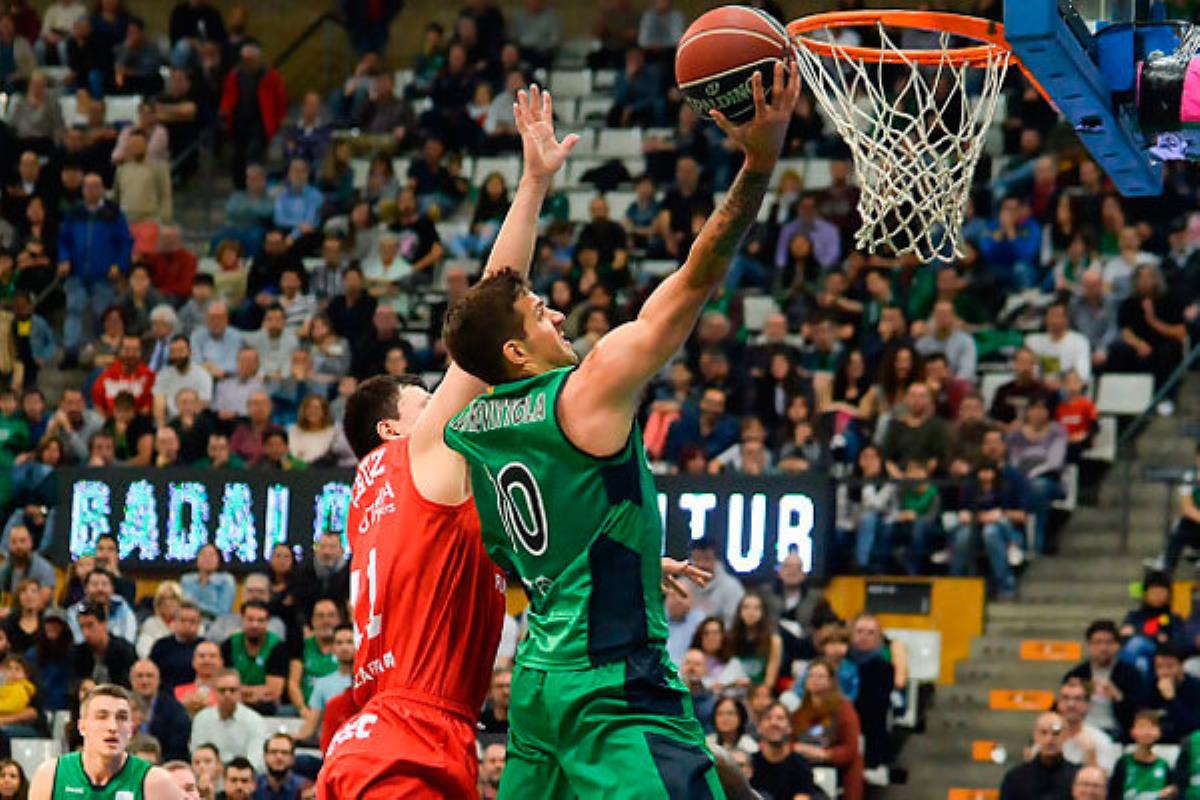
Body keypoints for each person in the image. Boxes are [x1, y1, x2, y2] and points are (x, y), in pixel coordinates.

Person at [441, 66, 798, 798]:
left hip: (539, 680)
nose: (559, 316)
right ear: (516, 352)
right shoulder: (587, 391)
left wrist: (533, 184)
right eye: (543, 314)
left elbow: (486, 311)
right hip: (612, 676)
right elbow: (697, 277)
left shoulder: (472, 424)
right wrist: (759, 163)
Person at [28, 684, 184, 799]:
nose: (113, 727)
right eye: (102, 716)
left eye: (122, 718)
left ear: (130, 729)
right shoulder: (50, 775)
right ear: (82, 727)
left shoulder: (156, 782)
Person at [1062, 620, 1144, 743]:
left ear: (1117, 645)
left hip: (1116, 733)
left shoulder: (1131, 674)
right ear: (1089, 645)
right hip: (1081, 730)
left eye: (1108, 642)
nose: (1103, 648)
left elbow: (1140, 713)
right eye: (1097, 642)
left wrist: (1118, 697)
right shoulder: (1077, 674)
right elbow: (1060, 708)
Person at [189, 670, 268, 773]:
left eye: (232, 690)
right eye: (222, 690)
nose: (227, 695)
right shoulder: (202, 718)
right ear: (214, 692)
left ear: (240, 692)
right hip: (209, 776)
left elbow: (255, 761)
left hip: (242, 777)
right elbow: (198, 756)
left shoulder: (255, 720)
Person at [219, 600, 286, 716]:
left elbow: (274, 692)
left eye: (260, 620)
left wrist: (239, 691)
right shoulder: (229, 644)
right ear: (242, 619)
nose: (255, 625)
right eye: (250, 619)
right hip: (232, 704)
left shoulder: (277, 647)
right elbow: (222, 684)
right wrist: (255, 692)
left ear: (267, 622)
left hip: (265, 707)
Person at [998, 712, 1078, 799]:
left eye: (1056, 733)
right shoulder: (1015, 778)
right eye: (1043, 732)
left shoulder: (1077, 777)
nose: (1049, 739)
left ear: (1065, 736)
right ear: (1035, 736)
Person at [750, 701, 816, 800]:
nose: (774, 723)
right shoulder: (749, 764)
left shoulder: (801, 766)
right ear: (759, 727)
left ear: (790, 727)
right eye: (768, 718)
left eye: (780, 718)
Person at [129, 659, 191, 763]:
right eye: (139, 676)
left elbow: (177, 750)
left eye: (149, 676)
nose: (145, 681)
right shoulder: (120, 706)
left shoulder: (174, 710)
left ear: (159, 680)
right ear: (131, 680)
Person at [1054, 679, 1118, 773]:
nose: (1071, 704)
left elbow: (1107, 783)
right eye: (1065, 698)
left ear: (1087, 704)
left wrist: (1091, 755)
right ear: (1058, 703)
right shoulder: (1047, 736)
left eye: (1077, 698)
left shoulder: (1101, 740)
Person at [1109, 710, 1172, 798]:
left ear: (1159, 733)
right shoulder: (1123, 763)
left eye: (1152, 727)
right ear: (1133, 732)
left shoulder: (1164, 765)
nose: (1147, 732)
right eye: (1142, 726)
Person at [148, 599, 204, 691]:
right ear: (174, 622)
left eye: (192, 621)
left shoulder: (206, 647)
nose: (187, 625)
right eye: (183, 620)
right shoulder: (161, 646)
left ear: (199, 623)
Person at [181, 544, 235, 620]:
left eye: (212, 555)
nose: (207, 558)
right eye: (203, 554)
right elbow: (184, 606)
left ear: (219, 559)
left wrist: (195, 606)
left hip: (218, 625)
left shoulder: (226, 580)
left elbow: (222, 612)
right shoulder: (187, 580)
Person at [256, 733, 302, 800]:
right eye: (273, 752)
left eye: (284, 752)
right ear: (265, 756)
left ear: (292, 758)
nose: (279, 757)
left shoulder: (304, 787)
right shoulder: (253, 787)